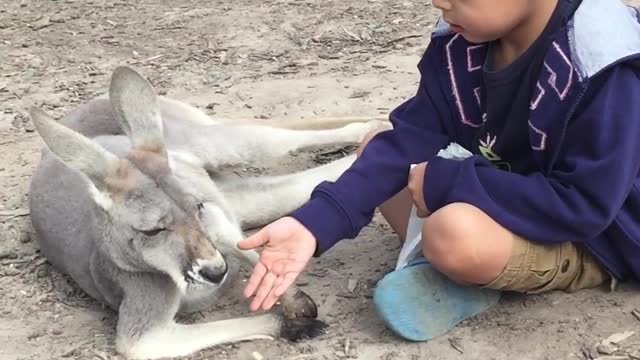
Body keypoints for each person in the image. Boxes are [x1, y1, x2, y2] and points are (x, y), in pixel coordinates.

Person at [238, 0, 640, 342]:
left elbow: (585, 204)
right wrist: (312, 224)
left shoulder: (601, 60)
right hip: (521, 192)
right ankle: (462, 273)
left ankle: (467, 270)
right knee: (377, 150)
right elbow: (412, 137)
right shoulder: (464, 41)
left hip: (602, 235)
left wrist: (452, 183)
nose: (438, 2)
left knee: (452, 233)